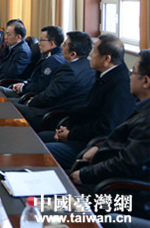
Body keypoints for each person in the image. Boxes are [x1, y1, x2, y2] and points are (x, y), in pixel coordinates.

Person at [70, 50, 150, 220]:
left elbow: (128, 164)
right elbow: (125, 140)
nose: (129, 77)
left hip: (127, 195)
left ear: (145, 81)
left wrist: (86, 174)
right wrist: (99, 146)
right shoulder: (142, 107)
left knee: (55, 202)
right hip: (112, 181)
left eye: (133, 72)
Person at [39, 35, 136, 169]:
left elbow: (106, 126)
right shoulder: (103, 74)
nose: (90, 55)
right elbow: (88, 110)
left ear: (106, 59)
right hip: (81, 132)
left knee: (42, 150)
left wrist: (71, 134)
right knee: (40, 137)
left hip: (94, 145)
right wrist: (67, 128)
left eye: (94, 52)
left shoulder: (120, 85)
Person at [14, 31, 97, 131]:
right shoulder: (91, 67)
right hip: (69, 116)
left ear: (72, 54)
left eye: (64, 45)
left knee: (9, 107)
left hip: (52, 117)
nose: (61, 47)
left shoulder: (68, 69)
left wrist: (31, 102)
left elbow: (49, 96)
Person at [0, 25, 66, 98]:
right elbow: (35, 79)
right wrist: (23, 83)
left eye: (42, 40)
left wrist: (22, 88)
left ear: (51, 43)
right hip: (27, 89)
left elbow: (40, 86)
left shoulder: (53, 61)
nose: (39, 43)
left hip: (29, 96)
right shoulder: (50, 56)